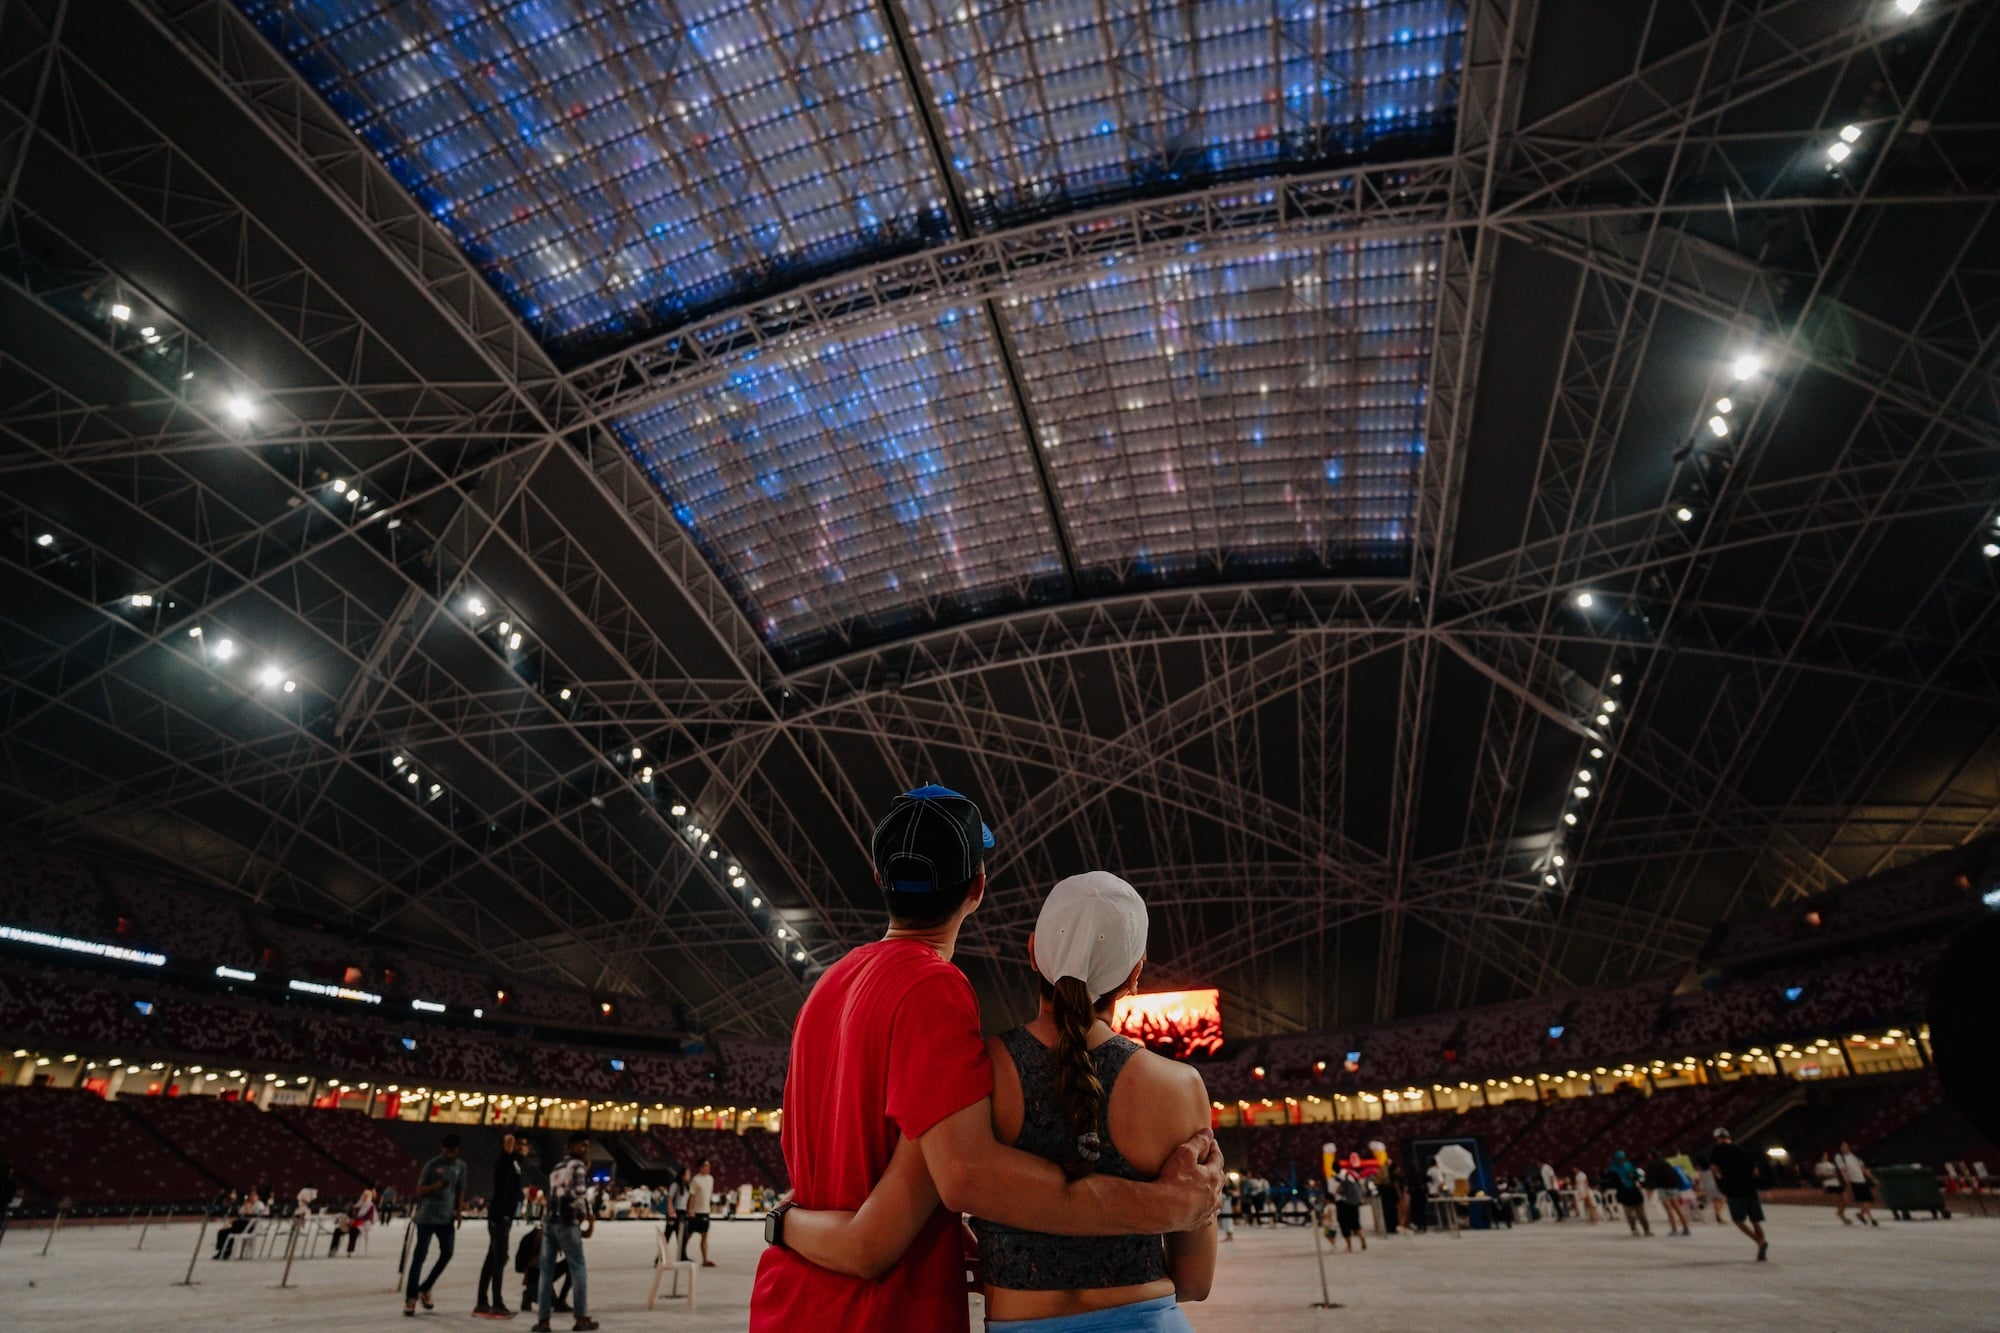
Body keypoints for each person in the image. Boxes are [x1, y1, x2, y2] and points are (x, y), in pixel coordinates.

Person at [750, 786, 1222, 1333]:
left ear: (879, 879)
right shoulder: (932, 987)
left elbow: (883, 1166)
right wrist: (1164, 1207)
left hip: (794, 1302)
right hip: (876, 1314)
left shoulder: (829, 987)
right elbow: (964, 1177)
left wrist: (784, 1222)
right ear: (977, 886)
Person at [535, 1132, 597, 1332]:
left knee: (546, 1273)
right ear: (571, 1146)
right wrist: (587, 1217)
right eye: (582, 1145)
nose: (585, 1149)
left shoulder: (557, 1167)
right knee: (578, 1269)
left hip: (549, 1223)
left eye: (587, 1145)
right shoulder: (577, 1166)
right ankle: (581, 1318)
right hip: (568, 1223)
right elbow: (580, 1194)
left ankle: (543, 1321)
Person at [405, 1134, 467, 1316]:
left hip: (446, 1219)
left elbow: (460, 1189)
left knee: (447, 1253)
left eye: (451, 1152)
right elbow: (419, 1189)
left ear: (457, 1150)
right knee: (419, 1257)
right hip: (427, 1217)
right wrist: (435, 1187)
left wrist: (458, 1212)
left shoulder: (461, 1166)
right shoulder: (432, 1165)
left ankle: (425, 1287)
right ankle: (410, 1298)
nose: (448, 1154)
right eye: (445, 1151)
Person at [478, 1132, 526, 1317]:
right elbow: (502, 1178)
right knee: (500, 1259)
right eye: (518, 1143)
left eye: (524, 1144)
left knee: (493, 1258)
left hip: (503, 1216)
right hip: (500, 1216)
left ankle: (482, 1302)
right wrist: (507, 1150)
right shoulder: (506, 1160)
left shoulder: (516, 1163)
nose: (521, 1147)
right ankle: (496, 1303)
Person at [1708, 1128, 1768, 1261]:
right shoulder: (1742, 1150)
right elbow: (1755, 1172)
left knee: (1738, 1220)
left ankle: (1759, 1242)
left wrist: (1721, 1178)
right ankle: (1761, 1247)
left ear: (1717, 1139)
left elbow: (1714, 1169)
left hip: (1734, 1190)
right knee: (1755, 1221)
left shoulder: (1717, 1151)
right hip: (1750, 1189)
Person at [1833, 1141, 1880, 1228]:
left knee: (1867, 1200)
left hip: (1862, 1180)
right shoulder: (1839, 1157)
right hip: (1854, 1181)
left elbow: (1863, 1168)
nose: (1845, 1147)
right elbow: (1843, 1170)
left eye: (1846, 1145)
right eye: (1843, 1146)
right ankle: (1870, 1218)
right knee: (1864, 1201)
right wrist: (1847, 1181)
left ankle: (1861, 1215)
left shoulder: (1853, 1156)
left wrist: (1872, 1178)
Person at [1642, 1150, 1689, 1236]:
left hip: (1663, 1187)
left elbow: (1650, 1179)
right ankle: (1685, 1228)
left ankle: (1674, 1229)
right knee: (1677, 1207)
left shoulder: (1652, 1164)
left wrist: (1649, 1189)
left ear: (1650, 1155)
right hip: (1672, 1186)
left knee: (1668, 1209)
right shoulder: (1664, 1161)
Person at [680, 1158, 714, 1266]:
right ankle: (681, 1254)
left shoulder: (710, 1179)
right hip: (696, 1212)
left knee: (704, 1236)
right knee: (688, 1235)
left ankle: (705, 1259)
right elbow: (692, 1195)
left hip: (705, 1211)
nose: (708, 1168)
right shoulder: (696, 1179)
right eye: (706, 1166)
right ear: (701, 1167)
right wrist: (690, 1209)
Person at [1609, 1151, 1650, 1236]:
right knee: (1629, 1213)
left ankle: (1646, 1229)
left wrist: (1634, 1178)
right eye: (1620, 1159)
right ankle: (1634, 1229)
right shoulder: (1613, 1170)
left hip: (1634, 1191)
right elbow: (1614, 1183)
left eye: (1623, 1158)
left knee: (1641, 1212)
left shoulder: (1629, 1165)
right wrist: (1621, 1182)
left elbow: (1636, 1175)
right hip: (1624, 1193)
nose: (1622, 1160)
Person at [1332, 1166, 1367, 1252]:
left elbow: (1334, 1192)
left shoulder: (1335, 1179)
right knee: (1356, 1224)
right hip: (1353, 1204)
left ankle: (1349, 1246)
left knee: (1344, 1225)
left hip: (1342, 1204)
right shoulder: (1351, 1176)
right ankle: (1361, 1236)